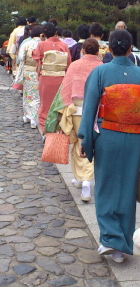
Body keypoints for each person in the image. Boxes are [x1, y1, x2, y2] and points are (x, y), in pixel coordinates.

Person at [78, 30, 140, 263]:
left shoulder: (100, 72)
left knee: (106, 187)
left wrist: (86, 140)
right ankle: (122, 242)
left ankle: (111, 240)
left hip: (108, 136)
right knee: (127, 188)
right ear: (131, 49)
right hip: (134, 139)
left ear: (109, 49)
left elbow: (90, 109)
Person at [47, 39, 103, 202]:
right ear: (98, 52)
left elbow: (65, 89)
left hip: (76, 110)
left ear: (83, 51)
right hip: (97, 111)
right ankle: (86, 179)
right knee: (92, 145)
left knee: (79, 143)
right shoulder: (102, 67)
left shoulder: (75, 65)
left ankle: (81, 179)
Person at [32, 22, 71, 134]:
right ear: (55, 32)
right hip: (60, 78)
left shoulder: (41, 45)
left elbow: (35, 56)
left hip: (46, 78)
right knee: (59, 105)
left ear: (44, 33)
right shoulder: (64, 45)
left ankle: (45, 131)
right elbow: (68, 63)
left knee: (45, 105)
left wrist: (42, 40)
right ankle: (57, 131)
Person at [18, 25, 43, 129]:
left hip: (28, 71)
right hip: (39, 71)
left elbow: (21, 57)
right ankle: (34, 117)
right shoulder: (42, 44)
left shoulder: (27, 44)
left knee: (27, 93)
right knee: (37, 95)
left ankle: (26, 115)